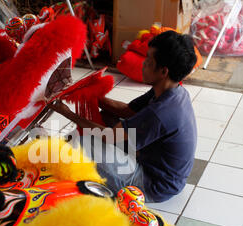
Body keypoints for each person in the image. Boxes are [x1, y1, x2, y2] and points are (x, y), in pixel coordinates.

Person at [50, 30, 198, 203]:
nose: (143, 64)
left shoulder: (161, 112)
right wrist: (91, 93)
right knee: (107, 117)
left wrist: (67, 113)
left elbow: (110, 136)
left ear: (163, 71)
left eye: (148, 61)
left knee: (84, 143)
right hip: (162, 172)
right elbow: (127, 110)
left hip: (153, 185)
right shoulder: (173, 91)